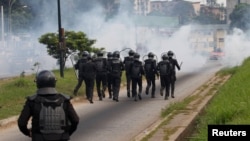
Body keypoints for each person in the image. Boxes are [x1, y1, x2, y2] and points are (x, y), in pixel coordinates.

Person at [18, 70, 79, 141]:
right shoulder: (64, 100)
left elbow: (21, 123)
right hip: (62, 138)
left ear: (38, 83)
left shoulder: (32, 101)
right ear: (54, 82)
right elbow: (75, 120)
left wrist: (28, 133)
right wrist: (67, 133)